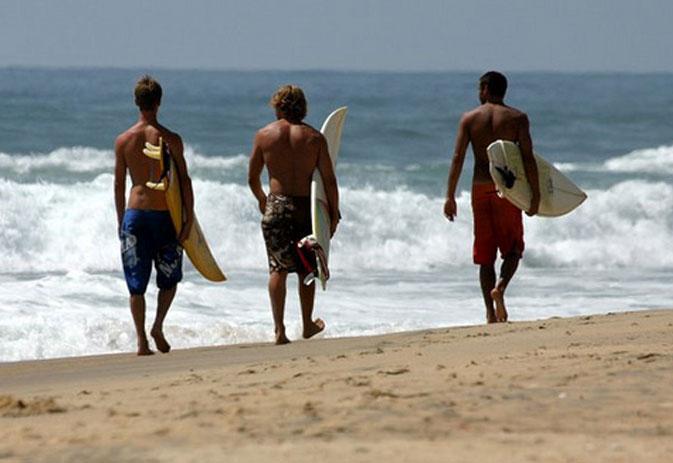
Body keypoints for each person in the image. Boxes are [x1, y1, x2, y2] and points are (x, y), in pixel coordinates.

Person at [444, 71, 540, 324]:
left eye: (480, 88)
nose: (478, 93)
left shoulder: (469, 118)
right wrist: (535, 195)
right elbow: (528, 158)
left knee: (485, 256)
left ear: (486, 88)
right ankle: (500, 288)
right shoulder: (517, 118)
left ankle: (489, 313)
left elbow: (458, 158)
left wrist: (450, 196)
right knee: (514, 249)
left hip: (480, 188)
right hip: (507, 191)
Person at [248, 85, 340, 345]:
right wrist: (333, 213)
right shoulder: (314, 138)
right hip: (305, 210)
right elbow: (329, 180)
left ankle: (279, 330)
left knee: (277, 269)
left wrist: (263, 200)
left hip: (276, 207)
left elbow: (252, 177)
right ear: (303, 107)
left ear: (278, 106)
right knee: (306, 269)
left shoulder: (264, 135)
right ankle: (307, 324)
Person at [114, 75, 194, 355]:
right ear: (159, 102)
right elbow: (184, 181)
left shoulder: (124, 140)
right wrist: (188, 218)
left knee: (136, 285)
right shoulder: (171, 139)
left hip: (135, 216)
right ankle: (157, 325)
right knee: (170, 278)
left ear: (136, 102)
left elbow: (119, 184)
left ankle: (141, 341)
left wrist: (121, 221)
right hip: (165, 217)